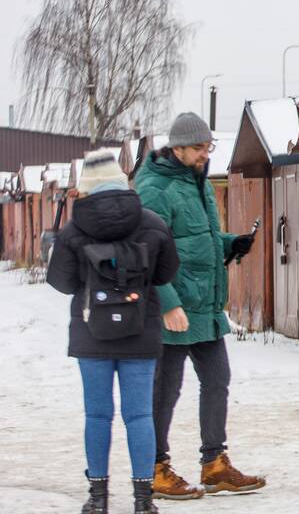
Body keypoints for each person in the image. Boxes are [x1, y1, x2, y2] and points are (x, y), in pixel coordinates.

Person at [134, 112, 265, 500]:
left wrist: (229, 243)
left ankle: (215, 465)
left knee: (218, 380)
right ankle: (154, 468)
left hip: (205, 306)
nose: (205, 155)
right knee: (165, 390)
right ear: (177, 148)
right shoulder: (154, 188)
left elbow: (195, 240)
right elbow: (148, 251)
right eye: (197, 148)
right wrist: (167, 304)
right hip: (173, 309)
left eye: (208, 147)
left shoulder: (198, 183)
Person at [47, 149, 179, 514]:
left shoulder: (74, 229)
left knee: (97, 415)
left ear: (86, 186)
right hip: (141, 332)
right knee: (139, 416)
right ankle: (143, 500)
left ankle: (98, 498)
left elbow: (61, 281)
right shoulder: (151, 222)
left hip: (92, 334)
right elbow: (167, 273)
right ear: (121, 180)